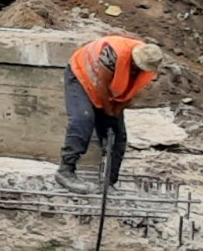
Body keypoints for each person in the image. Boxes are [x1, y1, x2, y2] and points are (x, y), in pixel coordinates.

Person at [57, 34, 164, 193]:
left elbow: (130, 94)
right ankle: (65, 170)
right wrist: (108, 112)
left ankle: (109, 181)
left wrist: (115, 114)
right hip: (81, 75)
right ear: (134, 58)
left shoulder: (149, 66)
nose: (137, 70)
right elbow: (101, 84)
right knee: (83, 119)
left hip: (107, 88)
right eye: (136, 66)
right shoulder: (114, 53)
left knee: (117, 135)